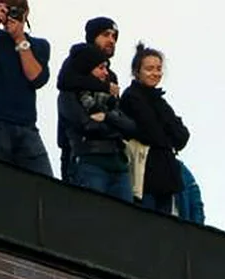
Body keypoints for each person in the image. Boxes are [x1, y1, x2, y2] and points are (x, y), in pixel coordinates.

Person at [0, 0, 52, 175]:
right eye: (6, 9)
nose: (11, 15)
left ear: (26, 13)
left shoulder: (39, 45)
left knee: (44, 185)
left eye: (16, 10)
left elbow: (36, 78)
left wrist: (19, 38)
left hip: (27, 126)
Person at [119, 43, 190, 215]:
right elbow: (152, 132)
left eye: (158, 68)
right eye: (149, 68)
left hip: (166, 175)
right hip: (144, 176)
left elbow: (182, 136)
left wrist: (167, 133)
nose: (155, 73)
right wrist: (168, 134)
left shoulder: (159, 100)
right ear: (137, 71)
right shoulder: (131, 97)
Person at [58, 46, 136, 201]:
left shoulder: (108, 96)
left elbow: (130, 127)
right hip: (90, 162)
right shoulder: (70, 96)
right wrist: (115, 127)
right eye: (101, 68)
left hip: (119, 165)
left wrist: (106, 117)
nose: (106, 73)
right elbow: (87, 126)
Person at [56, 17, 118, 181]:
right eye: (106, 35)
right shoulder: (76, 62)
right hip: (76, 149)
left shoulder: (110, 76)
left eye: (114, 36)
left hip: (108, 150)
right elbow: (64, 82)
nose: (111, 40)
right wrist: (104, 87)